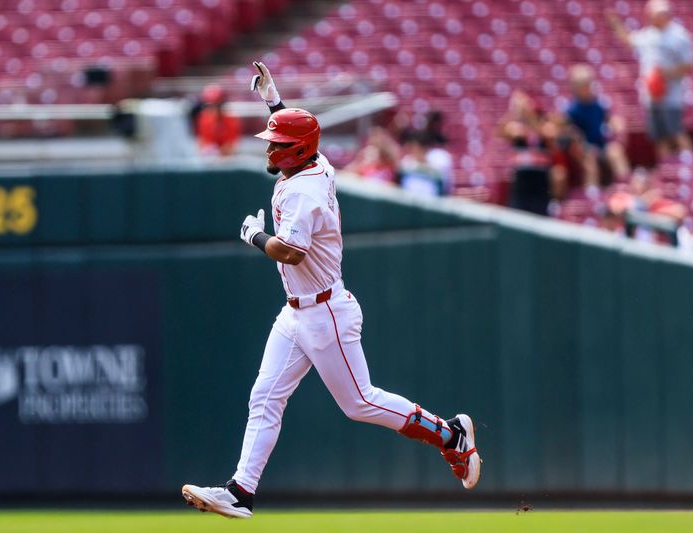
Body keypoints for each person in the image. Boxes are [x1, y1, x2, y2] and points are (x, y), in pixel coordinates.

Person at [181, 62, 482, 519]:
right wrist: (274, 103)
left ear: (295, 151)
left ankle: (451, 435)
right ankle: (241, 491)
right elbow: (299, 140)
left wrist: (253, 236)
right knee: (264, 397)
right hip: (297, 312)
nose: (271, 149)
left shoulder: (306, 192)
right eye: (273, 141)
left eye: (278, 145)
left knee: (360, 403)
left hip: (325, 312)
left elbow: (292, 253)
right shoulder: (313, 161)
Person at [607, 0, 693, 159]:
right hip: (652, 95)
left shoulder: (679, 35)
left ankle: (689, 167)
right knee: (659, 137)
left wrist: (665, 73)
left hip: (671, 94)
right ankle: (666, 171)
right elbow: (629, 40)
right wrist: (615, 24)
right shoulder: (648, 35)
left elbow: (688, 65)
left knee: (676, 132)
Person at [566, 64, 632, 186]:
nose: (588, 87)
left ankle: (624, 188)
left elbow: (609, 120)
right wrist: (585, 146)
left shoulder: (599, 104)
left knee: (615, 152)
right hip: (583, 148)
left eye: (588, 84)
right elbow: (572, 134)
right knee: (590, 162)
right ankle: (592, 196)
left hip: (601, 144)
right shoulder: (571, 109)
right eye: (583, 85)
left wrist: (615, 124)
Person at [195, 83, 241, 156]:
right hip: (209, 157)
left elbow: (232, 144)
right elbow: (202, 141)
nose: (214, 109)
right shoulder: (204, 118)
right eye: (211, 105)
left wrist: (222, 153)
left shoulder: (231, 119)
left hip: (227, 157)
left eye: (217, 105)